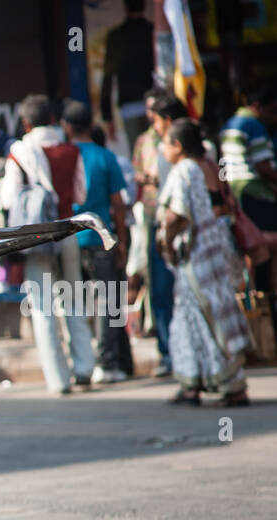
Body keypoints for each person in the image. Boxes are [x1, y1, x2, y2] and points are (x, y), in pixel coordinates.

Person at [1, 94, 90, 394]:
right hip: (67, 231)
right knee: (74, 298)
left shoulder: (20, 153)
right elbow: (80, 196)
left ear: (25, 123)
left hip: (36, 237)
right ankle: (84, 367)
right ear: (54, 119)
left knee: (42, 307)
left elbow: (8, 199)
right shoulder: (71, 150)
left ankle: (58, 379)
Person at [158, 119, 250, 406]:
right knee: (197, 317)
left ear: (178, 146)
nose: (161, 149)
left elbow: (177, 215)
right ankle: (194, 382)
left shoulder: (183, 169)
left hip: (195, 255)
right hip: (211, 250)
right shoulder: (204, 165)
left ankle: (231, 385)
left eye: (164, 143)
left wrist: (165, 244)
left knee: (207, 316)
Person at [63, 99, 133, 383]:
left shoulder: (63, 156)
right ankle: (108, 364)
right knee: (109, 303)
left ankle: (81, 364)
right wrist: (121, 242)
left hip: (69, 240)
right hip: (102, 238)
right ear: (91, 126)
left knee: (73, 303)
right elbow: (118, 204)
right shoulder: (105, 157)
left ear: (66, 127)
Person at [133, 91, 188, 376]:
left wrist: (166, 238)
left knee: (173, 293)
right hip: (165, 227)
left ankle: (183, 357)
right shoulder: (150, 143)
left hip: (177, 231)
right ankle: (172, 354)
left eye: (155, 118)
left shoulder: (180, 151)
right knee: (164, 292)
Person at [220, 84, 277, 237]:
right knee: (268, 240)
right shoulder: (254, 125)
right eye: (272, 111)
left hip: (235, 190)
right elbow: (262, 166)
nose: (274, 117)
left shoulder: (228, 124)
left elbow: (221, 163)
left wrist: (224, 188)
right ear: (257, 107)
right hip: (253, 189)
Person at [99, 0, 156, 148]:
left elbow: (108, 77)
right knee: (157, 147)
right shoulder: (153, 31)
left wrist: (107, 117)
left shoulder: (116, 36)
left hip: (128, 104)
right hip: (155, 100)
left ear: (125, 7)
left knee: (137, 150)